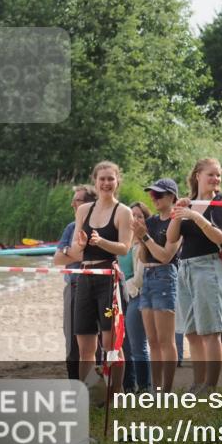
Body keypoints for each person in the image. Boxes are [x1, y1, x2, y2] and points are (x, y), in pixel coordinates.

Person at [166, 158, 222, 393]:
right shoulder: (188, 204)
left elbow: (219, 238)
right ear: (197, 176)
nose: (215, 179)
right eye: (211, 174)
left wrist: (196, 217)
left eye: (218, 175)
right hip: (184, 269)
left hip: (209, 269)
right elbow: (172, 239)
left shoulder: (219, 205)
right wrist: (178, 213)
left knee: (210, 331)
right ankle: (198, 383)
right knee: (192, 332)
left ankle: (210, 386)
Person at [67, 161, 133, 392]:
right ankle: (87, 393)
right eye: (102, 179)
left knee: (111, 344)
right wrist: (80, 244)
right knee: (84, 344)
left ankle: (116, 392)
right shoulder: (84, 210)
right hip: (85, 276)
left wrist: (102, 242)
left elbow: (125, 248)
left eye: (110, 179)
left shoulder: (123, 212)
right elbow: (76, 249)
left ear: (117, 181)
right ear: (95, 181)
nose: (106, 183)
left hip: (109, 279)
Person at [135, 177, 183, 392]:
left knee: (166, 340)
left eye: (158, 194)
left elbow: (165, 256)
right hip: (148, 275)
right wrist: (140, 238)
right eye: (151, 194)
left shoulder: (177, 220)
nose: (153, 198)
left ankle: (168, 390)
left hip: (165, 275)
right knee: (152, 340)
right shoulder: (152, 221)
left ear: (172, 196)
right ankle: (156, 388)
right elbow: (145, 258)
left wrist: (144, 238)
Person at [54, 185, 97, 380]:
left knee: (99, 343)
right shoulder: (71, 227)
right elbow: (57, 259)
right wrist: (73, 252)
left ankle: (99, 391)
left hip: (99, 286)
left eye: (77, 200)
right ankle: (75, 389)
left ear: (88, 204)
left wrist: (69, 252)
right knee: (72, 344)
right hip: (73, 286)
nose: (72, 204)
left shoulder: (102, 225)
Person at [120, 202, 151, 393]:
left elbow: (139, 279)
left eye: (140, 216)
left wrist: (126, 286)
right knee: (124, 345)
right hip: (120, 295)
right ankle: (129, 386)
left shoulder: (143, 244)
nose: (136, 219)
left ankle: (145, 388)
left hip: (136, 295)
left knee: (138, 344)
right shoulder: (125, 241)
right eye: (133, 216)